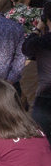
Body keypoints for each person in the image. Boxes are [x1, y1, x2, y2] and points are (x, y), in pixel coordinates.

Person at [25, 8, 51, 139]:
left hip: (45, 96)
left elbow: (26, 48)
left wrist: (38, 29)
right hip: (44, 95)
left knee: (42, 140)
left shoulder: (42, 41)